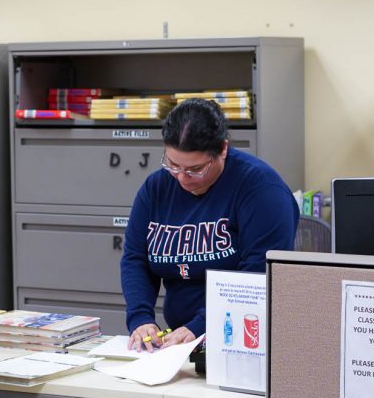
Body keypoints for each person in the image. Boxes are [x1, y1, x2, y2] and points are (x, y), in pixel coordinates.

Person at [121, 98, 298, 352]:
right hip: (182, 341)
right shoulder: (156, 187)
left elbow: (259, 274)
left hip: (244, 337)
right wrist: (140, 318)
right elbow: (136, 258)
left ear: (222, 149)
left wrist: (201, 325)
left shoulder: (261, 190)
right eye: (172, 165)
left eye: (195, 169)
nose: (182, 178)